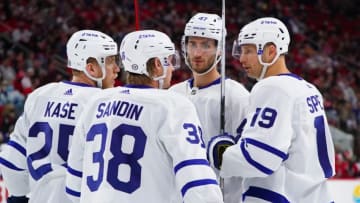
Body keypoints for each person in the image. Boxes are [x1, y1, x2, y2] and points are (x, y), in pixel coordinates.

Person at [65, 29, 223, 203]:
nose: (171, 68)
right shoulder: (173, 105)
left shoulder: (96, 102)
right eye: (169, 61)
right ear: (157, 64)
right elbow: (196, 179)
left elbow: (73, 185)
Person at [208, 17, 336, 202]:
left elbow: (259, 158)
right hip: (316, 194)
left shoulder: (272, 88)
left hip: (282, 195)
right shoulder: (308, 88)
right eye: (241, 51)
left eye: (248, 51)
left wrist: (218, 152)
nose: (241, 58)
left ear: (270, 51)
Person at [0, 29, 120, 203]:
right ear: (91, 68)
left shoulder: (39, 95)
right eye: (110, 61)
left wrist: (18, 198)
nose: (116, 69)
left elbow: (12, 161)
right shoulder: (104, 103)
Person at [169, 12, 249, 203]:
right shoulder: (173, 94)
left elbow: (252, 154)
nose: (197, 53)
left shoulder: (236, 95)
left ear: (219, 49)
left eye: (206, 45)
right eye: (192, 44)